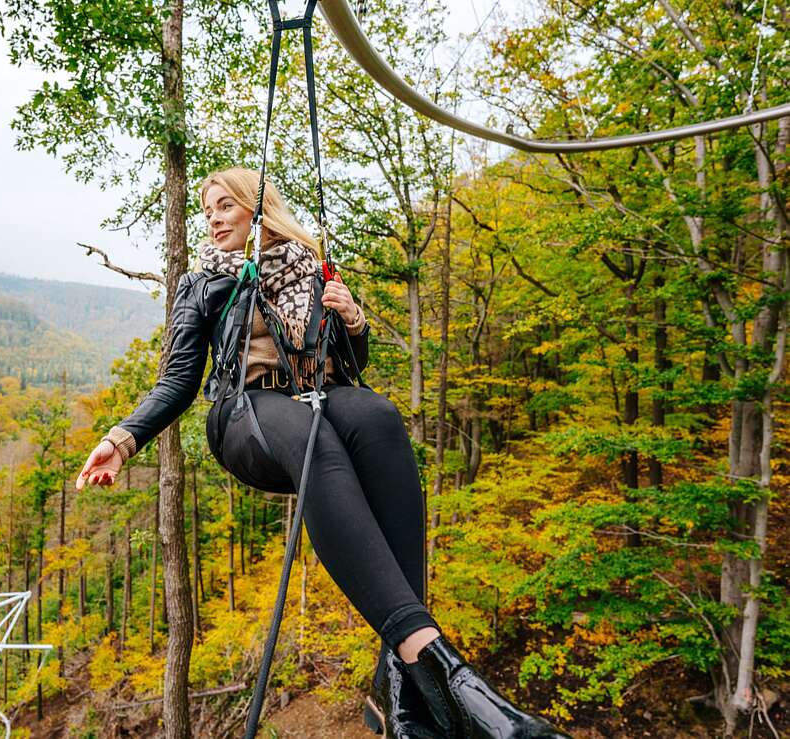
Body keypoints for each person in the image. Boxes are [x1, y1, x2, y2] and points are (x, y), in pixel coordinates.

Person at [76, 167, 570, 739]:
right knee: (311, 433)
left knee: (379, 416)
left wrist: (353, 319)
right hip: (245, 414)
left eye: (224, 207)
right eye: (206, 209)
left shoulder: (309, 266)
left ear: (259, 211)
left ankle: (400, 695)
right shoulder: (203, 282)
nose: (210, 218)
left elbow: (351, 368)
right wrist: (122, 439)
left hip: (316, 398)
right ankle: (457, 683)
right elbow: (178, 382)